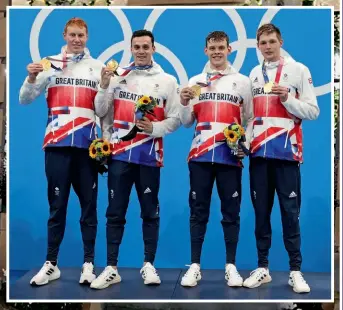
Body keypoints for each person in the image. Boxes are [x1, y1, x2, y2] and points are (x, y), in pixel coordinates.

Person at [90, 29, 181, 289]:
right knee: (114, 213)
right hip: (119, 156)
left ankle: (149, 265)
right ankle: (111, 268)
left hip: (149, 157)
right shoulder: (118, 77)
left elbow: (175, 119)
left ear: (154, 48)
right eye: (137, 47)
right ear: (130, 49)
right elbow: (100, 110)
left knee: (149, 213)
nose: (141, 51)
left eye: (145, 46)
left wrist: (156, 129)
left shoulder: (167, 81)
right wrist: (105, 84)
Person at [19, 17, 106, 286]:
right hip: (57, 145)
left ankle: (89, 264)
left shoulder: (98, 68)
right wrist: (32, 77)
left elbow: (103, 111)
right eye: (72, 34)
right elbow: (25, 98)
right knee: (57, 207)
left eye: (81, 34)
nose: (77, 39)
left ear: (87, 36)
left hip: (87, 148)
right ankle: (51, 264)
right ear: (64, 35)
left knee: (88, 208)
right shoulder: (48, 64)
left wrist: (103, 85)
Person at [243, 23, 319, 293]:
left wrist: (288, 99)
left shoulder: (298, 70)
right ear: (258, 46)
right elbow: (252, 118)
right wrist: (245, 141)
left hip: (287, 154)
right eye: (262, 43)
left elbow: (313, 111)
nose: (267, 47)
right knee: (261, 214)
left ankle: (295, 271)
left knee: (290, 214)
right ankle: (262, 268)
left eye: (271, 41)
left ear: (280, 41)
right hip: (259, 156)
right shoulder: (253, 73)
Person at [178, 31, 253, 287]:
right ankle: (194, 266)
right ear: (205, 51)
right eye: (212, 48)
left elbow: (250, 118)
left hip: (229, 157)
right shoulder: (195, 81)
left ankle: (231, 267)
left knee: (230, 212)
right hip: (199, 155)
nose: (217, 51)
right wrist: (183, 101)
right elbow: (187, 121)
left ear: (229, 49)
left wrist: (246, 144)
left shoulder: (242, 82)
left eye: (221, 47)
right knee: (198, 212)